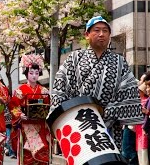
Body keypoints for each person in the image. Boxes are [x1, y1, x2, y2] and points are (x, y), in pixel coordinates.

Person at [49, 16, 143, 150]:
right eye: (96, 30)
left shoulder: (119, 61)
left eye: (105, 31)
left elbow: (129, 93)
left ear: (110, 35)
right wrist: (64, 116)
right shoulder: (74, 58)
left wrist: (106, 113)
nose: (101, 34)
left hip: (108, 125)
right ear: (87, 34)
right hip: (78, 123)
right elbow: (60, 89)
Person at [8, 54, 50, 164]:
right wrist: (19, 114)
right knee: (27, 154)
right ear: (26, 74)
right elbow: (13, 106)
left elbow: (49, 106)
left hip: (40, 126)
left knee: (42, 152)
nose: (34, 76)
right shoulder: (20, 90)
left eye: (36, 73)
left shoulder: (44, 91)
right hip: (26, 125)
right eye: (31, 73)